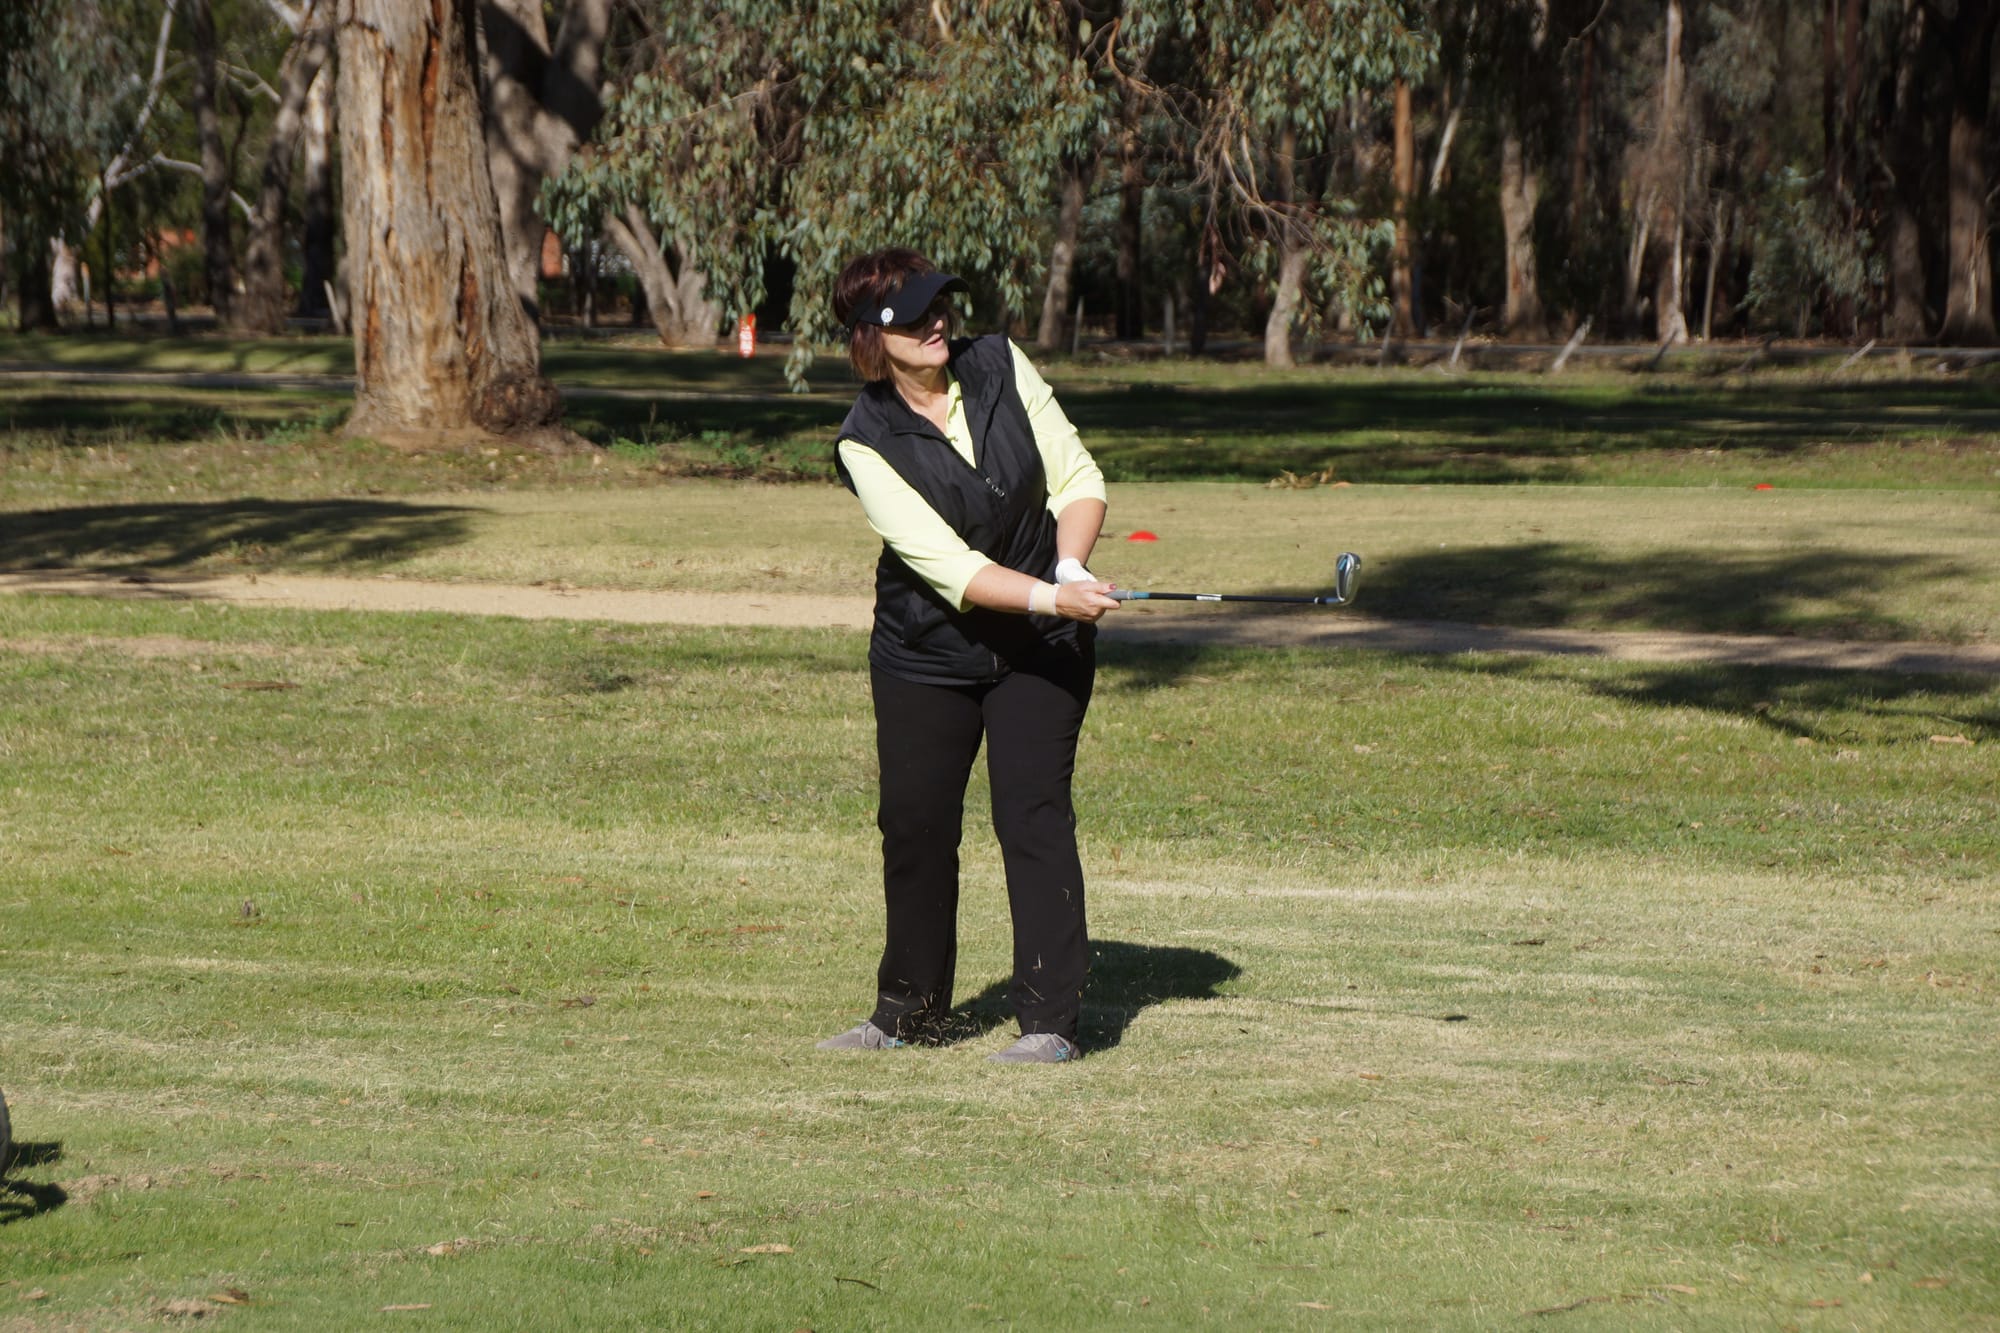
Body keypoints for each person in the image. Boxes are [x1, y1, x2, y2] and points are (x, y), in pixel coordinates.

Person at [816, 248, 1120, 1064]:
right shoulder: (863, 443)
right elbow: (949, 567)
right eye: (914, 315)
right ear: (874, 337)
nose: (936, 322)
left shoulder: (1000, 363)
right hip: (927, 652)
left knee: (1032, 815)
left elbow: (1077, 476)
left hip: (1040, 645)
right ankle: (907, 1011)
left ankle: (1050, 1020)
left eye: (938, 306)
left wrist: (1069, 566)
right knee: (915, 826)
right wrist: (1053, 595)